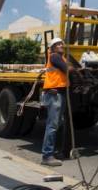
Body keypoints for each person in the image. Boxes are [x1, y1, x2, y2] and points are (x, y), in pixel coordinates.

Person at [41, 37, 74, 166]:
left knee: (58, 123)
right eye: (57, 44)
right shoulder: (54, 57)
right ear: (53, 47)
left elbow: (67, 67)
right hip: (54, 94)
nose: (61, 45)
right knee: (52, 125)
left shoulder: (62, 58)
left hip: (60, 93)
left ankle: (53, 152)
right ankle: (47, 156)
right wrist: (76, 70)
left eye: (61, 44)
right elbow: (67, 69)